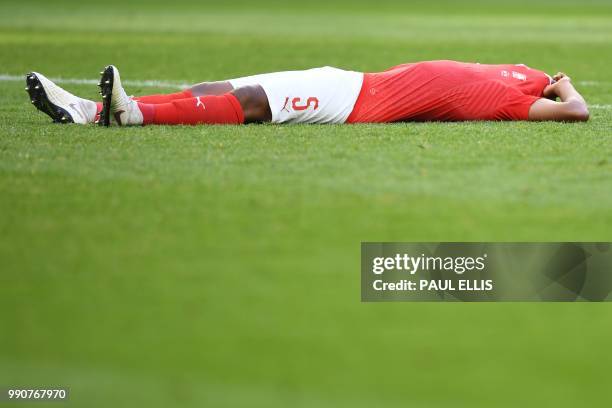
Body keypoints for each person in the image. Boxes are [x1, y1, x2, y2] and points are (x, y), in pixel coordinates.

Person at [25, 60, 589, 127]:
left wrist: (565, 88)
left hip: (356, 106)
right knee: (223, 87)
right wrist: (548, 75)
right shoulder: (520, 72)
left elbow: (578, 112)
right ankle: (92, 108)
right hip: (348, 80)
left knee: (251, 106)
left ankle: (129, 118)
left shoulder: (519, 102)